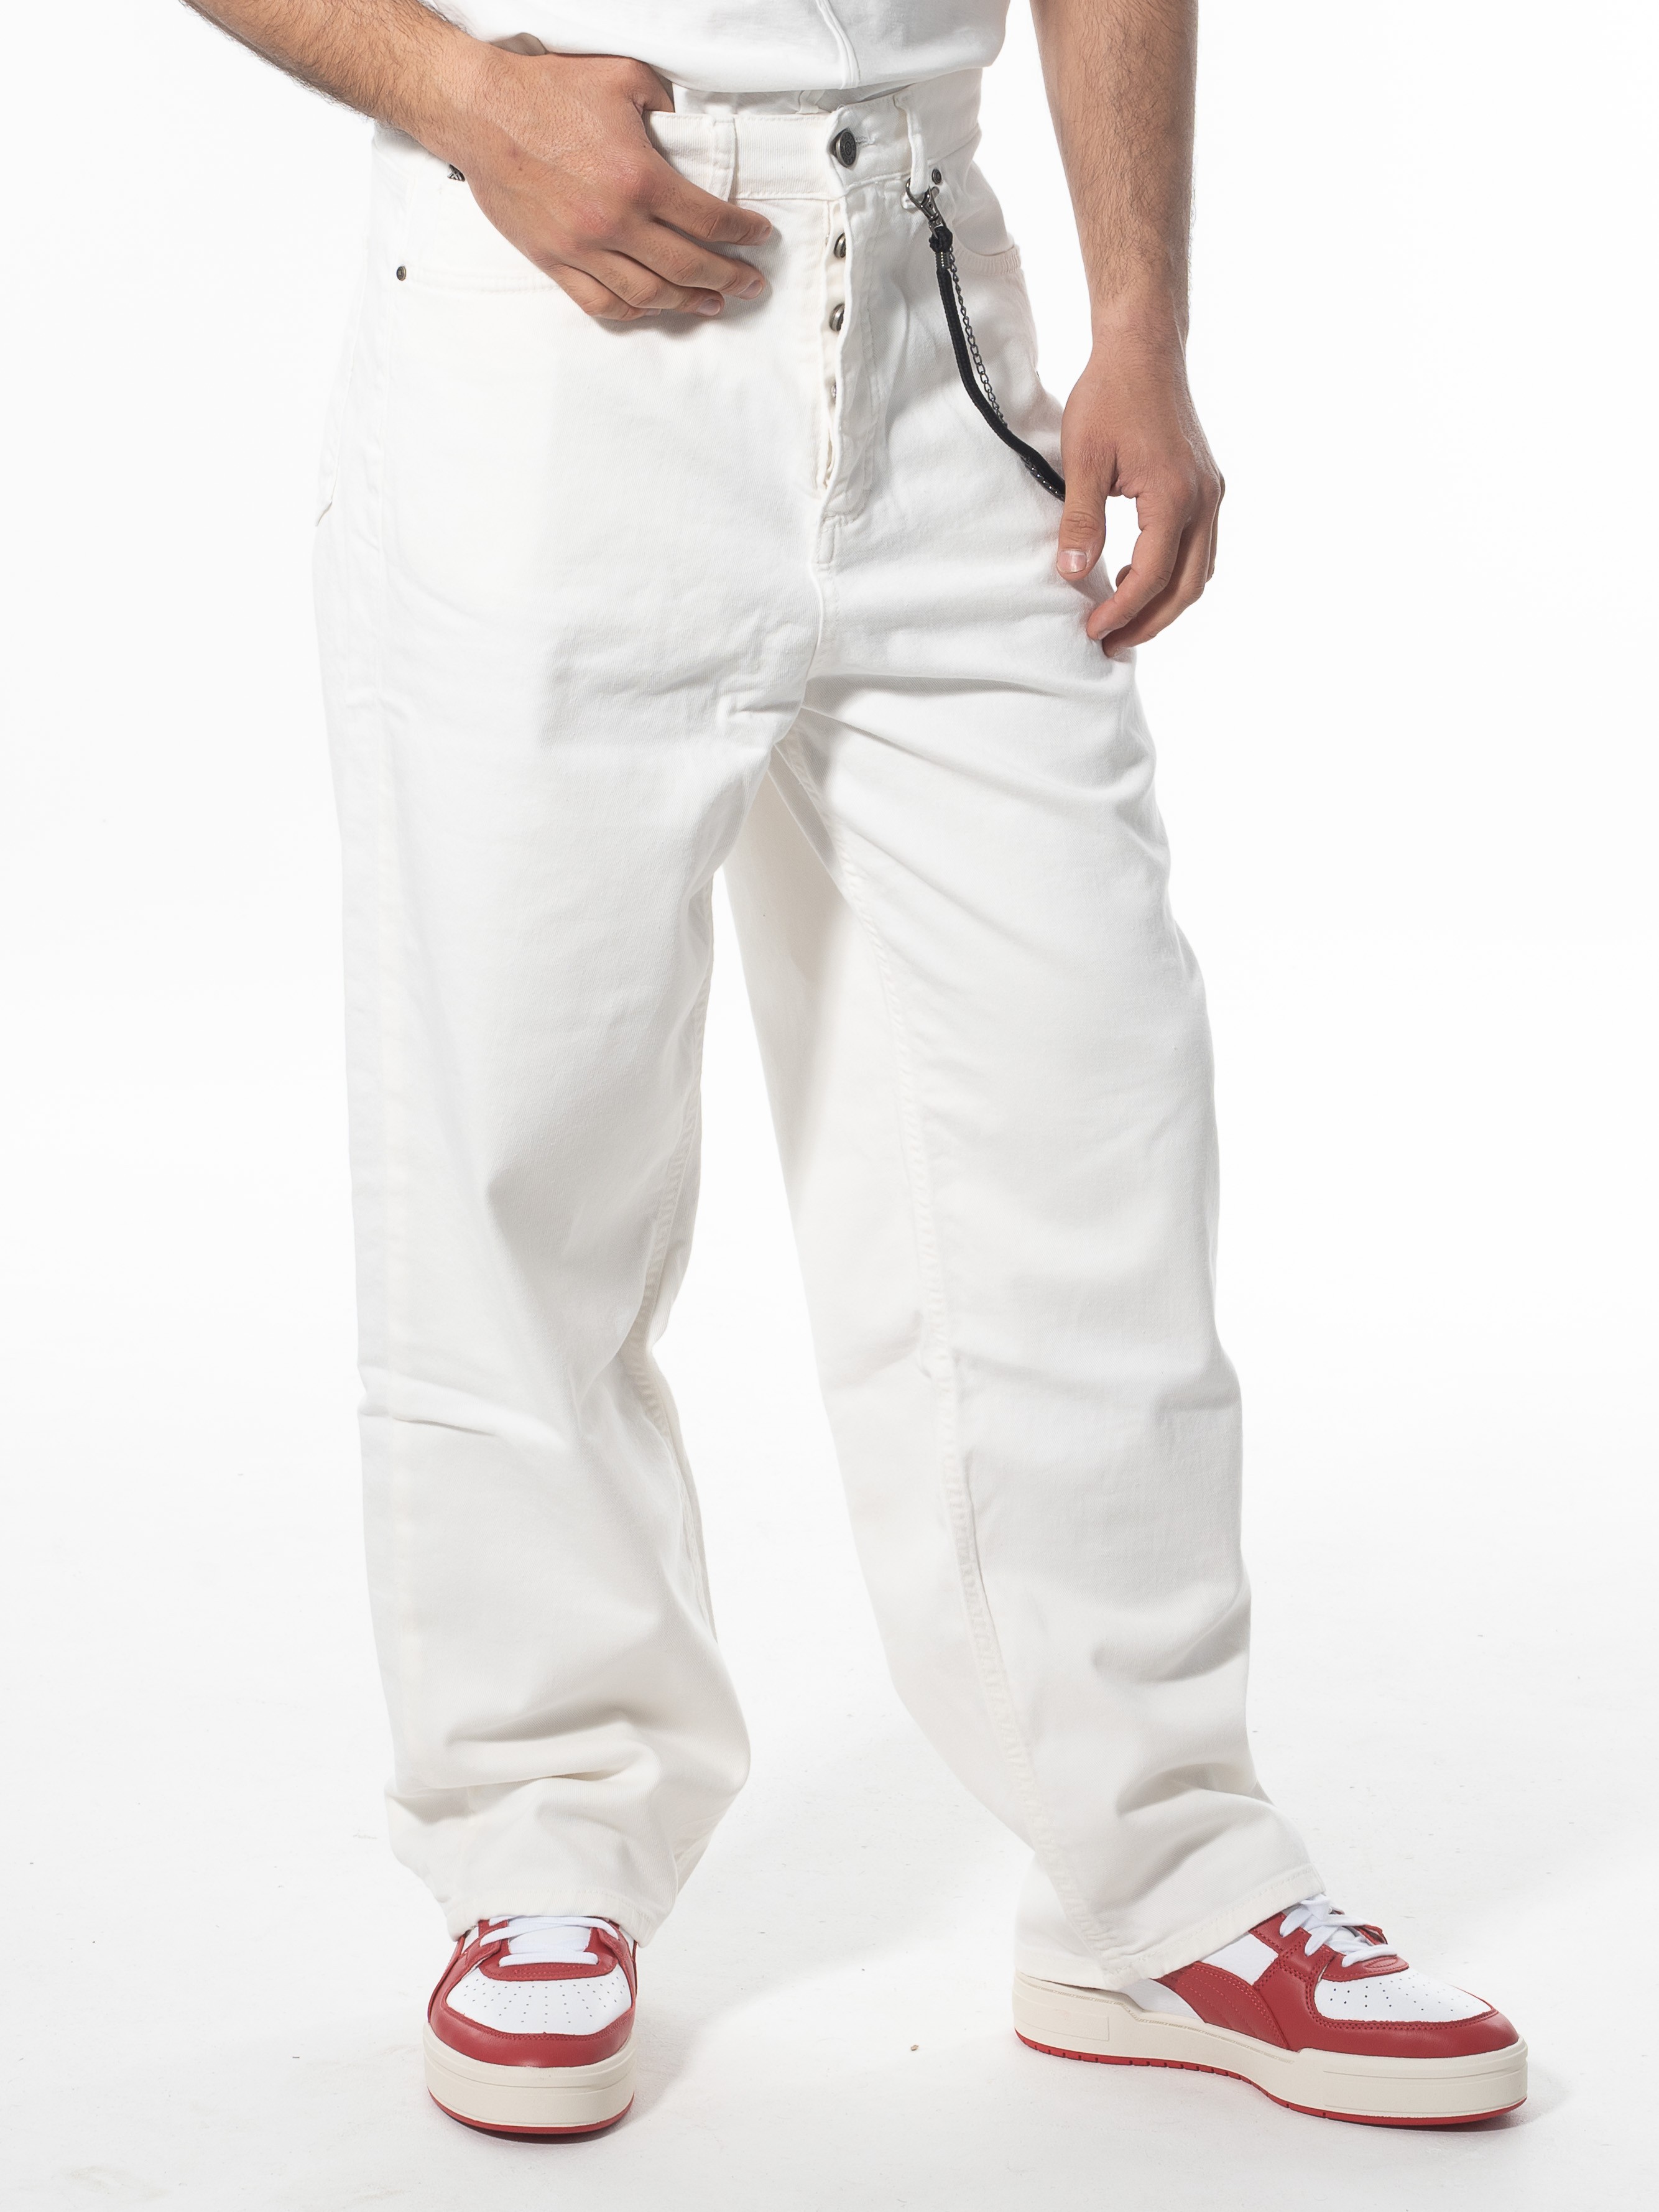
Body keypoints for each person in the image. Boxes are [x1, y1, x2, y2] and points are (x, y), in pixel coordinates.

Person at [185, 0, 1525, 2138]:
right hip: (551, 301)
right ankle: (540, 1847)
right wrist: (465, 99)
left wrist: (1140, 321)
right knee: (523, 1140)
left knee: (1079, 1114)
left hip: (931, 293)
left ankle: (1156, 1878)